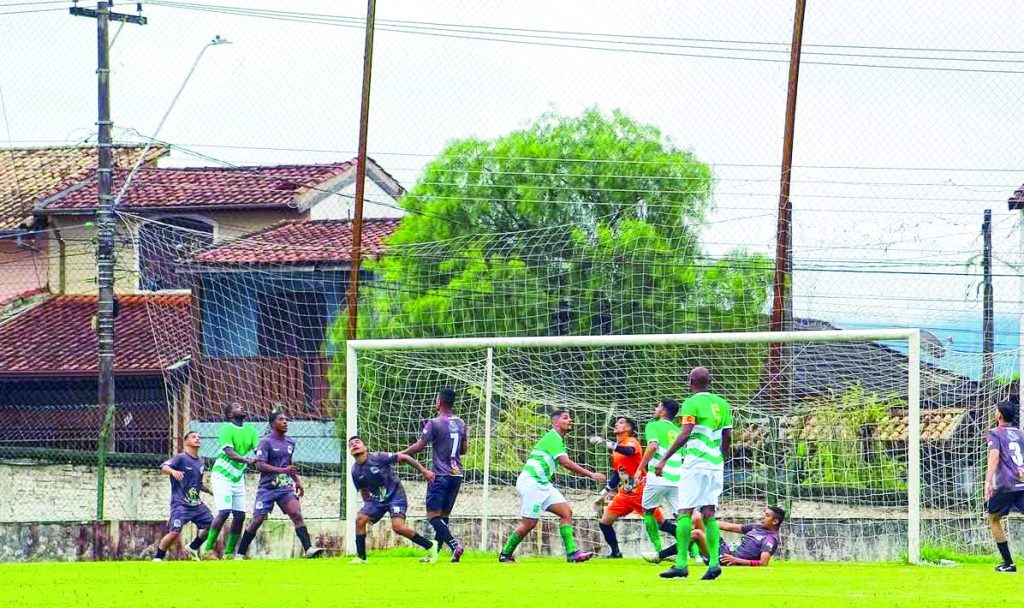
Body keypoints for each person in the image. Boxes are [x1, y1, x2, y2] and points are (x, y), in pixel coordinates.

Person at [498, 409, 606, 563]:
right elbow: (565, 462)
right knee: (529, 523)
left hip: (542, 484)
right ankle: (505, 554)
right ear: (555, 422)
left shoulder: (558, 439)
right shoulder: (552, 437)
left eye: (570, 418)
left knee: (566, 512)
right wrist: (591, 474)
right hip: (531, 483)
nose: (570, 420)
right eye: (565, 418)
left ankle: (571, 553)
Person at [655, 367, 732, 580]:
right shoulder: (723, 404)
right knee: (709, 513)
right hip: (715, 465)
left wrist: (664, 458)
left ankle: (681, 564)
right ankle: (714, 562)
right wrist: (721, 459)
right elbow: (727, 436)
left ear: (690, 382)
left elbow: (685, 433)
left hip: (696, 463)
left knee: (684, 511)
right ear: (710, 381)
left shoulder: (691, 403)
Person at [234, 411, 324, 559]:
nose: (285, 422)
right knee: (257, 520)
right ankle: (240, 553)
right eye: (281, 419)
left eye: (286, 419)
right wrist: (283, 470)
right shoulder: (265, 442)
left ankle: (308, 549)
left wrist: (297, 481)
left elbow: (288, 464)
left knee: (296, 514)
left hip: (285, 487)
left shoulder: (290, 442)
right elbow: (260, 465)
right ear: (272, 424)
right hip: (267, 488)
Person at [589, 416, 674, 558]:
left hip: (640, 491)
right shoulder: (616, 451)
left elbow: (629, 451)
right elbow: (618, 475)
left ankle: (690, 544)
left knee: (661, 524)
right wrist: (602, 495)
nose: (616, 424)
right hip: (625, 494)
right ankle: (615, 553)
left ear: (628, 428)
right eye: (616, 422)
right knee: (604, 522)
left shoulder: (631, 442)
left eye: (621, 422)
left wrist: (606, 443)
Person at [401, 387, 467, 562]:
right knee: (443, 517)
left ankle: (455, 545)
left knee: (433, 517)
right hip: (457, 475)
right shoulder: (461, 423)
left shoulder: (434, 422)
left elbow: (419, 446)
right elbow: (464, 449)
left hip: (440, 475)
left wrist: (402, 454)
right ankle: (434, 555)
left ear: (439, 402)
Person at [348, 436, 438, 564]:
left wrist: (424, 471)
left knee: (398, 527)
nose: (354, 445)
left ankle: (430, 546)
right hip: (376, 501)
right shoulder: (355, 471)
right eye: (351, 444)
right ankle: (361, 558)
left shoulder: (379, 457)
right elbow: (363, 490)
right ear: (350, 451)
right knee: (360, 520)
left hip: (396, 496)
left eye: (357, 442)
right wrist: (368, 509)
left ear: (365, 447)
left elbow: (404, 457)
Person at [202, 402, 260, 558]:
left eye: (241, 405)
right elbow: (229, 452)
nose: (241, 407)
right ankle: (207, 549)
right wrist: (248, 461)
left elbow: (258, 451)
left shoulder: (251, 430)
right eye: (236, 407)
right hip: (222, 476)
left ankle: (229, 553)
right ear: (230, 415)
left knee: (240, 516)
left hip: (237, 478)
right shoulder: (226, 429)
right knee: (224, 512)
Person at [154, 431, 213, 561]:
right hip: (180, 503)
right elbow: (163, 467)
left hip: (196, 504)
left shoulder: (201, 462)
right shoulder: (180, 458)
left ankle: (193, 547)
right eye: (193, 437)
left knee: (212, 525)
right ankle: (157, 558)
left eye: (199, 437)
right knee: (174, 532)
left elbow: (198, 483)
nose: (197, 438)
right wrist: (173, 471)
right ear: (186, 442)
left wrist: (210, 491)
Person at [984, 399, 1024, 573]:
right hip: (1022, 483)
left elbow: (994, 456)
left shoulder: (994, 432)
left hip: (1006, 485)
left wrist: (987, 481)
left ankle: (1008, 563)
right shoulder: (1021, 433)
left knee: (993, 518)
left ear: (999, 415)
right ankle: (1008, 564)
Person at [692, 506, 783, 567]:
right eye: (764, 514)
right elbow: (728, 526)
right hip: (724, 549)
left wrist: (736, 560)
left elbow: (763, 563)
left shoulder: (770, 539)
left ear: (774, 521)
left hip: (724, 558)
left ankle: (686, 552)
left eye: (767, 515)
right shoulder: (756, 527)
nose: (762, 516)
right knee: (698, 518)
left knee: (697, 533)